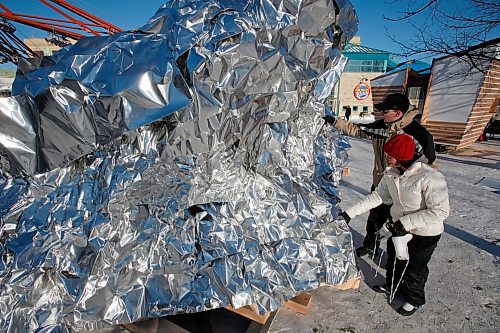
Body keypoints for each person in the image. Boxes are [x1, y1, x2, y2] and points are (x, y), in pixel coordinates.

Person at [337, 134, 450, 316]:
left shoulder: (430, 178)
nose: (386, 158)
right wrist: (349, 213)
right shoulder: (391, 173)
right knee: (394, 260)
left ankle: (414, 300)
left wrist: (405, 223)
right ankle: (392, 286)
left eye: (390, 154)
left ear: (403, 157)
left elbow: (440, 212)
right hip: (398, 228)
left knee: (415, 268)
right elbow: (378, 197)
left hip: (424, 233)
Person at [324, 93, 436, 257]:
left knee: (399, 225)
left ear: (397, 113)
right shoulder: (381, 127)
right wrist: (334, 121)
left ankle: (399, 261)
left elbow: (430, 163)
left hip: (405, 190)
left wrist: (413, 185)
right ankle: (370, 245)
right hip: (382, 182)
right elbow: (357, 130)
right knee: (375, 219)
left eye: (384, 111)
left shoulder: (418, 135)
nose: (380, 114)